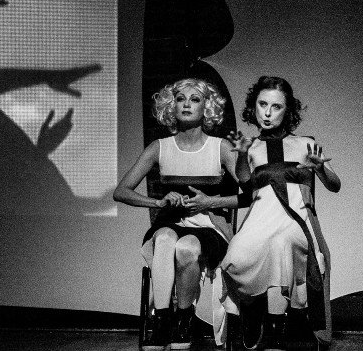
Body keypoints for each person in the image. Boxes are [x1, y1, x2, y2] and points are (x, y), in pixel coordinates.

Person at [114, 78, 243, 350]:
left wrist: (210, 201)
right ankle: (161, 322)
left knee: (186, 248)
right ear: (171, 106)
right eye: (180, 99)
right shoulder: (160, 147)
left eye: (195, 99)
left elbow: (251, 194)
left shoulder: (220, 147)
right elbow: (121, 191)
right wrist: (158, 202)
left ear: (207, 107)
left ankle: (183, 320)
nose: (186, 104)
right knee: (164, 240)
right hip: (170, 221)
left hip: (209, 225)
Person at [221, 76, 341, 351]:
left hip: (295, 219)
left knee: (281, 245)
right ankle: (252, 310)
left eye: (276, 107)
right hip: (261, 218)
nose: (267, 112)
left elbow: (335, 185)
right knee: (235, 257)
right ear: (253, 106)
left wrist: (320, 169)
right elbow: (246, 184)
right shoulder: (251, 147)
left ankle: (276, 328)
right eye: (262, 104)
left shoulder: (305, 143)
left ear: (287, 111)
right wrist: (242, 156)